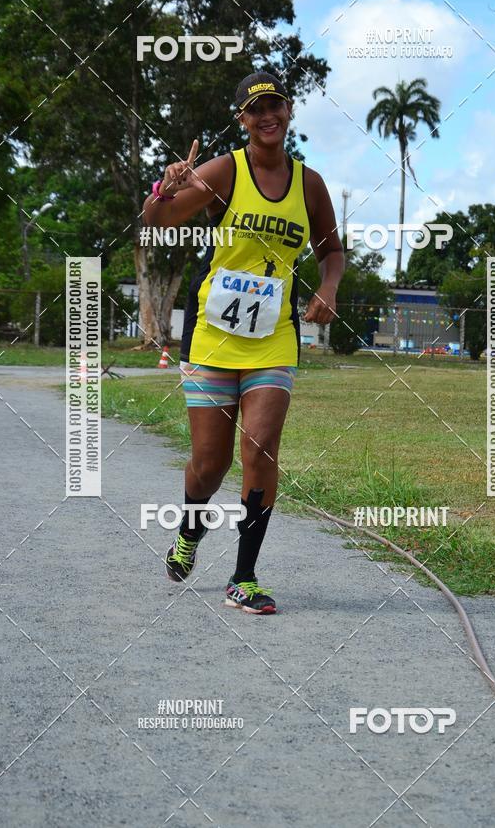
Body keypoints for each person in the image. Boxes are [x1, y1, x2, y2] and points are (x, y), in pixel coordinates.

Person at [143, 71, 344, 614]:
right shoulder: (225, 170)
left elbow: (332, 251)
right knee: (210, 464)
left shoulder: (310, 185)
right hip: (212, 335)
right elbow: (156, 219)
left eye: (275, 105)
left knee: (259, 449)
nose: (267, 116)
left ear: (288, 110)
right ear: (243, 120)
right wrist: (168, 184)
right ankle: (189, 531)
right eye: (256, 109)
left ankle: (244, 576)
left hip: (273, 337)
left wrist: (327, 287)